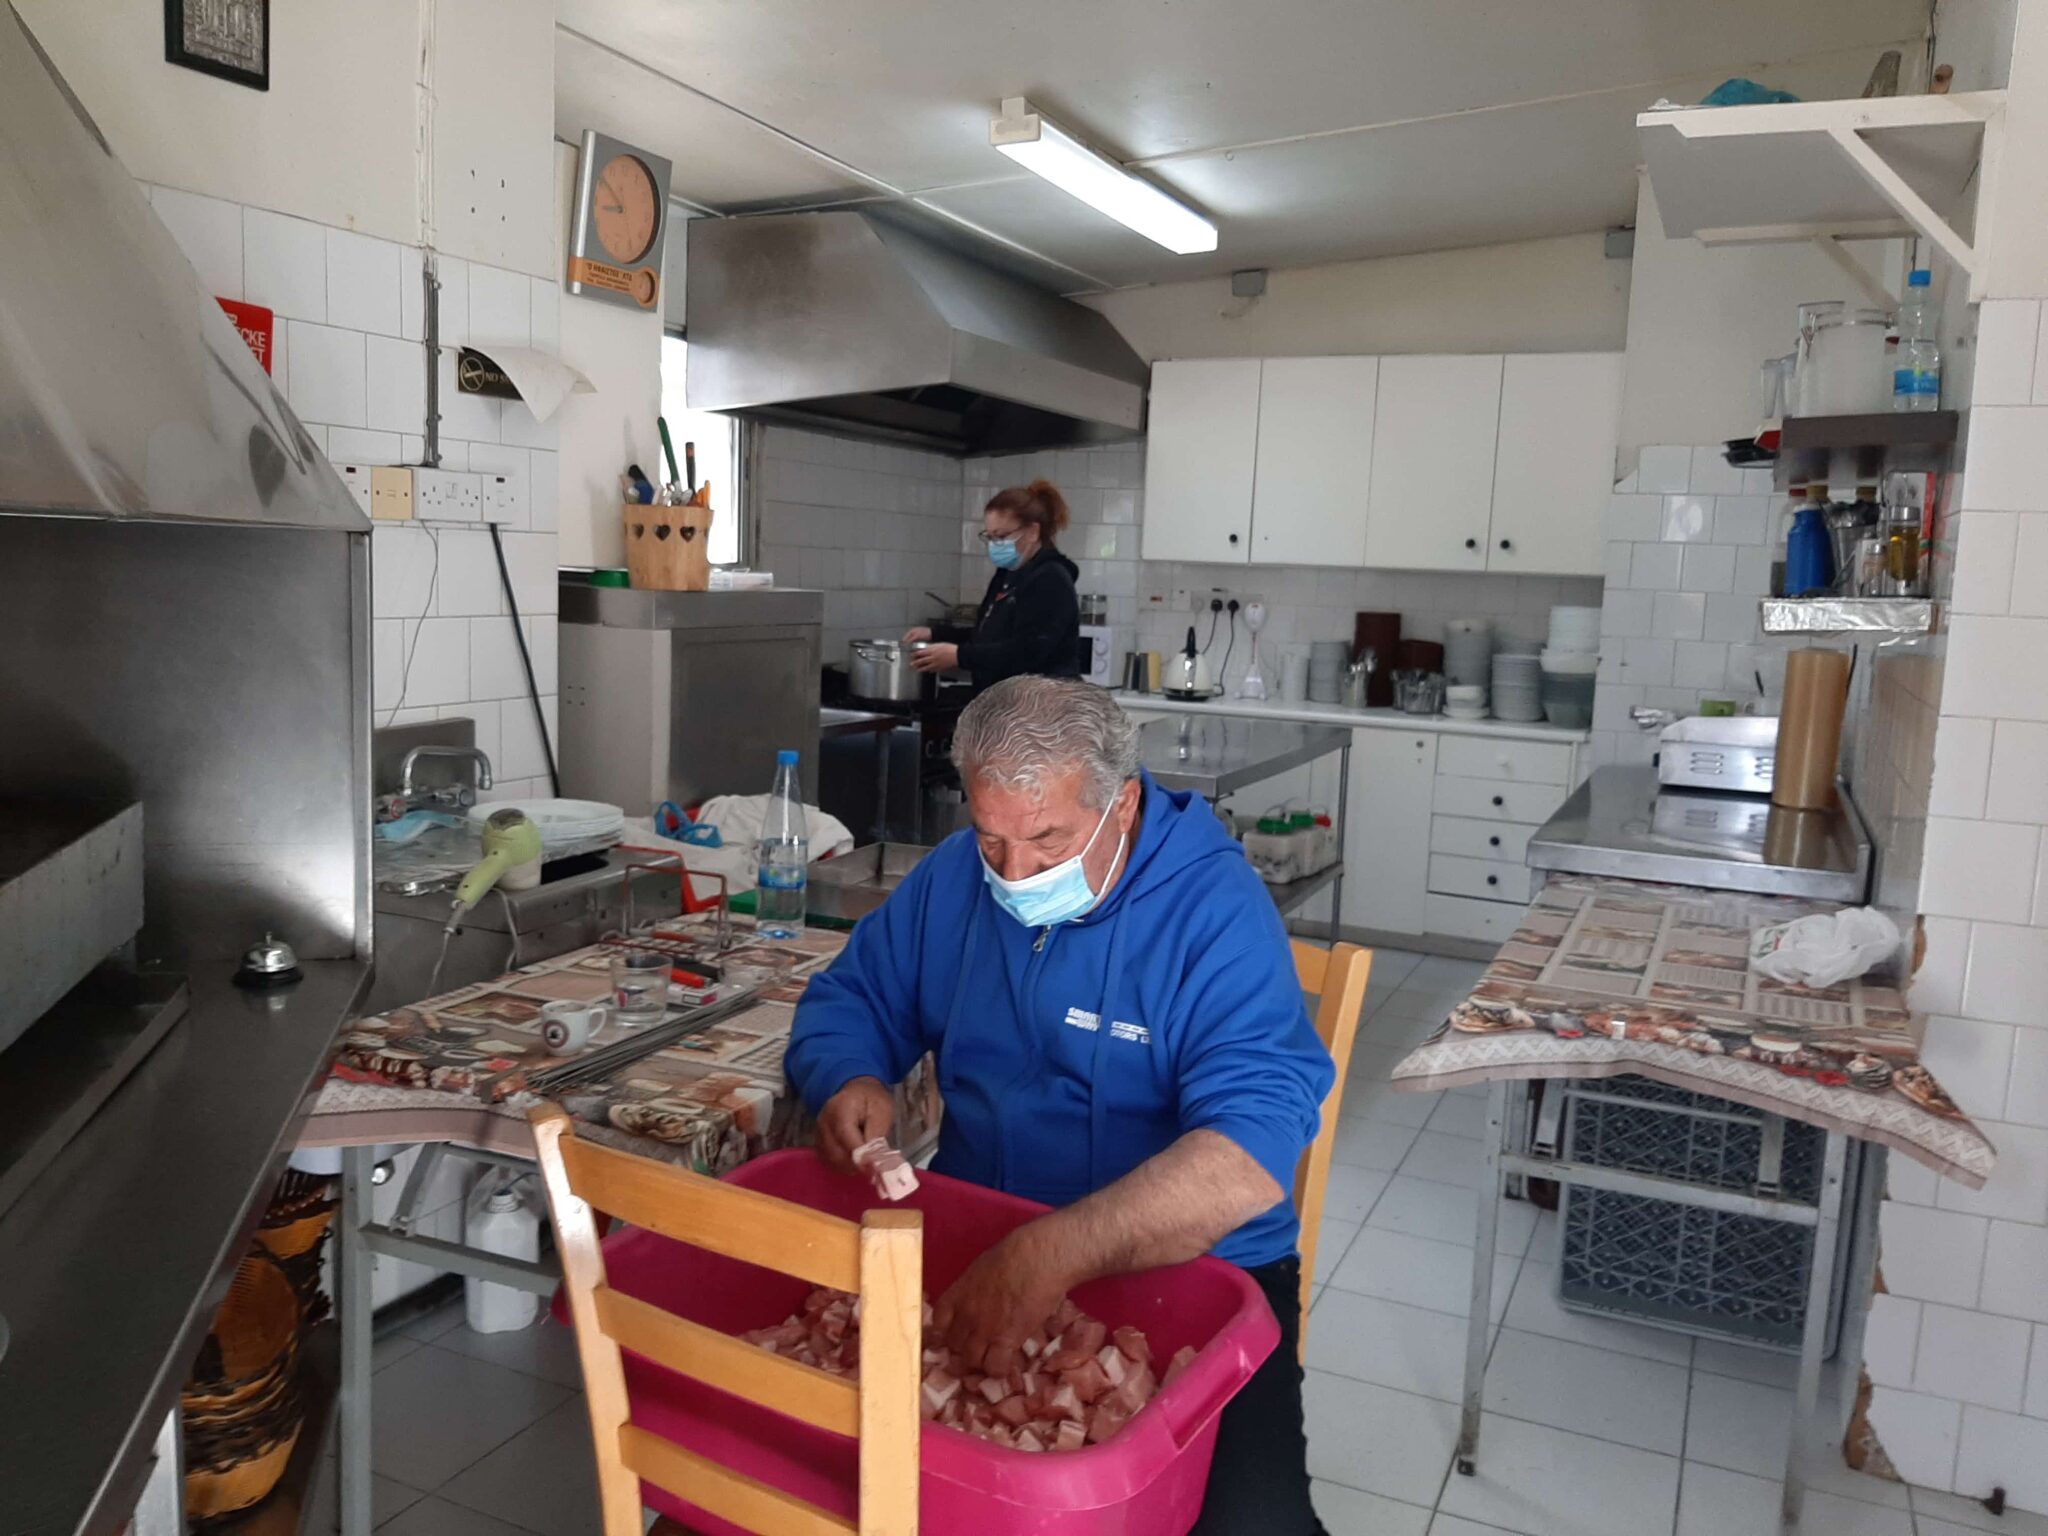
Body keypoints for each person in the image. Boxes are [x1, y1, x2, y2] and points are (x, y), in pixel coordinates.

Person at [786, 676, 1334, 1535]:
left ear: (1122, 805)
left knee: (1252, 1524)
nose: (1014, 874)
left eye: (1047, 840)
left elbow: (1245, 1157)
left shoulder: (1215, 912)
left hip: (1195, 1272)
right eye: (991, 838)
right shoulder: (953, 880)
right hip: (983, 1233)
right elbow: (853, 998)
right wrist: (849, 1075)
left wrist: (1047, 1256)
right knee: (841, 1476)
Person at [903, 479, 1080, 691]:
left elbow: (1028, 651)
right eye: (990, 537)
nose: (996, 545)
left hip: (1041, 700)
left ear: (1033, 532)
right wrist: (936, 634)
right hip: (1004, 697)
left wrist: (959, 656)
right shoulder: (1007, 575)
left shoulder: (1050, 578)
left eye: (1002, 536)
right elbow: (988, 636)